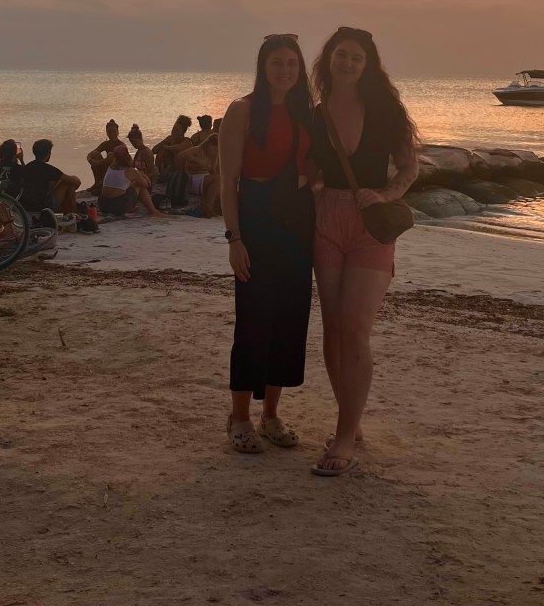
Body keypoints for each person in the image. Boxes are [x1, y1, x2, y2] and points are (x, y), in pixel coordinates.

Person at [309, 27, 418, 477]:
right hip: (326, 221)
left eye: (357, 57)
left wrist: (388, 194)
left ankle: (343, 436)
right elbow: (308, 167)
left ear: (368, 64)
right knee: (333, 329)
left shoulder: (386, 110)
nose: (349, 63)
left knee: (355, 329)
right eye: (342, 55)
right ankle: (349, 422)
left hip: (371, 223)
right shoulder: (316, 114)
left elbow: (409, 166)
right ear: (329, 59)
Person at [219, 34, 314, 455]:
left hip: (298, 220)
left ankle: (271, 414)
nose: (285, 71)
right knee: (254, 318)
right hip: (256, 219)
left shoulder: (304, 109)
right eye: (277, 62)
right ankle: (239, 416)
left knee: (290, 318)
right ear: (263, 66)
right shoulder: (241, 110)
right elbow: (228, 181)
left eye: (292, 63)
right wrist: (234, 238)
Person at [98, 144, 165, 218]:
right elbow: (147, 184)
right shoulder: (130, 171)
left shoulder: (110, 167)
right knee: (139, 184)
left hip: (103, 205)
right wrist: (143, 175)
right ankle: (153, 211)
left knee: (130, 184)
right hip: (117, 208)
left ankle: (132, 205)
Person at [20, 139, 80, 214]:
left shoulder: (28, 167)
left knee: (60, 182)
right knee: (69, 183)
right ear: (48, 153)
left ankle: (68, 214)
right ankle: (74, 214)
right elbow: (77, 182)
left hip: (26, 204)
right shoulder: (49, 170)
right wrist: (74, 178)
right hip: (44, 205)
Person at [176, 133, 221, 217]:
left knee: (223, 184)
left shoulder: (214, 156)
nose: (216, 151)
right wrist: (196, 161)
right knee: (218, 179)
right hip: (192, 179)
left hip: (203, 180)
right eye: (215, 148)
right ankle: (208, 206)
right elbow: (181, 156)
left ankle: (215, 206)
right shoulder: (198, 150)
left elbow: (213, 172)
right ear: (209, 144)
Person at [86, 120, 122, 195]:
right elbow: (91, 154)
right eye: (109, 132)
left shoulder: (121, 145)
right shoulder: (106, 144)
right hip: (106, 168)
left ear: (117, 132)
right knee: (95, 154)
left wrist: (98, 163)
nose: (111, 134)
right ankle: (97, 182)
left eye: (114, 131)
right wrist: (91, 161)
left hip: (116, 172)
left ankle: (103, 183)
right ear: (107, 133)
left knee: (111, 156)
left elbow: (113, 160)